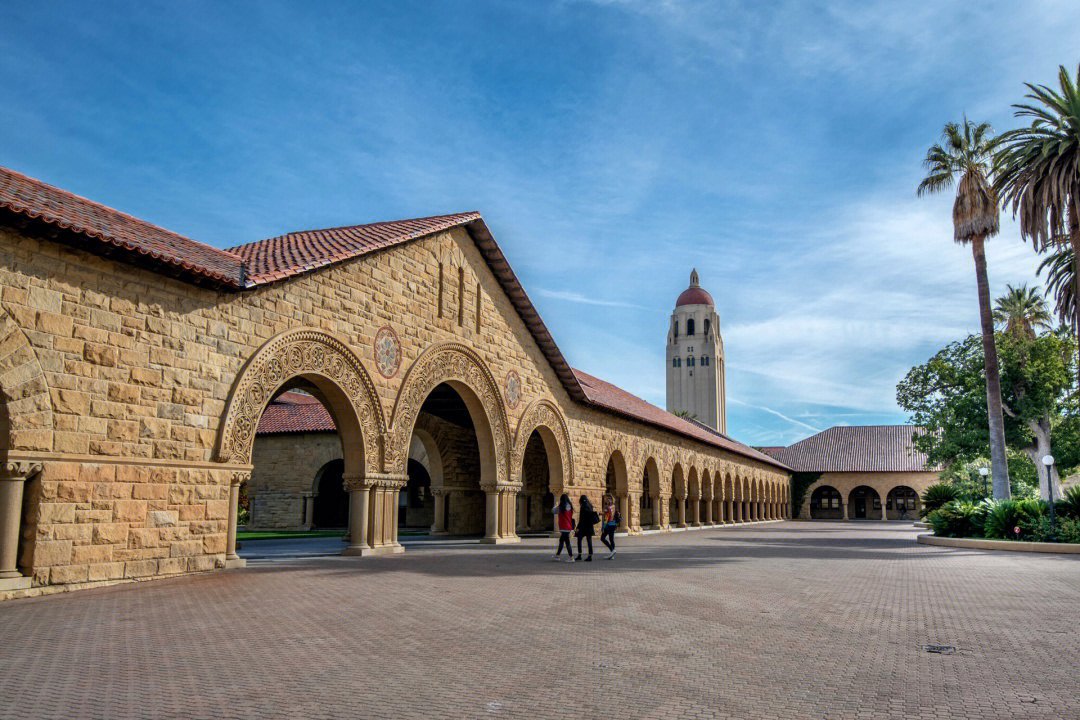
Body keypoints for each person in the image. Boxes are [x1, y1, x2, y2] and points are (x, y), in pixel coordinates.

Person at [575, 495, 598, 562]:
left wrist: (578, 527)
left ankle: (579, 555)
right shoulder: (590, 505)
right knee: (589, 541)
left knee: (579, 540)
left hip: (583, 526)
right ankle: (590, 555)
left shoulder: (583, 506)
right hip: (589, 526)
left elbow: (581, 518)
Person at [553, 494, 575, 562]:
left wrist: (556, 505)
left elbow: (554, 511)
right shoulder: (570, 506)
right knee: (562, 541)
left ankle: (571, 557)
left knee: (566, 542)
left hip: (563, 526)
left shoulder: (561, 506)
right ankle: (557, 555)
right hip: (568, 526)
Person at [600, 494, 618, 559]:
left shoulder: (607, 507)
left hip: (608, 525)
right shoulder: (613, 506)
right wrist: (603, 513)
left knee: (602, 538)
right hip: (613, 525)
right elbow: (609, 514)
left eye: (606, 499)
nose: (605, 500)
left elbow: (606, 518)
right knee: (611, 539)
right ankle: (612, 554)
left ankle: (612, 550)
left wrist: (603, 527)